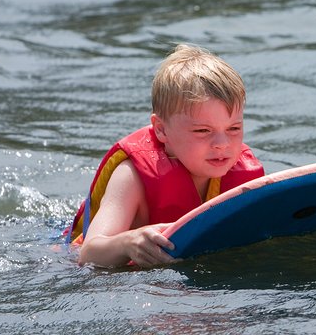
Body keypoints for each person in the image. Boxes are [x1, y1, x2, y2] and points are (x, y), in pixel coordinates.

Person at [63, 44, 265, 268]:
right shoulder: (132, 176)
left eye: (234, 129)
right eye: (202, 131)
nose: (222, 144)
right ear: (161, 129)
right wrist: (129, 243)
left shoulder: (243, 171)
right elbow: (89, 253)